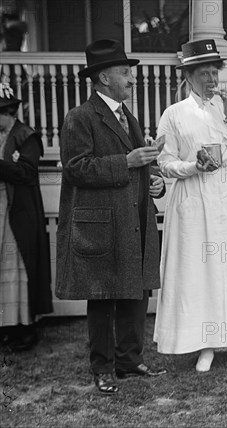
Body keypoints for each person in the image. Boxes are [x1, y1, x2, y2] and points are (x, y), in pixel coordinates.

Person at [56, 39, 167, 395]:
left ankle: (129, 360)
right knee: (103, 298)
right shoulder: (80, 117)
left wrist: (153, 183)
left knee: (136, 293)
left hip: (134, 219)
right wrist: (128, 162)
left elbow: (136, 165)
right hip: (103, 225)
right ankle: (102, 368)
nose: (131, 79)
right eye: (125, 72)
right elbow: (75, 169)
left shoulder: (127, 117)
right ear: (103, 78)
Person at [152, 39, 227, 373]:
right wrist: (192, 167)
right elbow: (165, 161)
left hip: (225, 195)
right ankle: (205, 346)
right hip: (190, 197)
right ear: (188, 75)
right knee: (197, 271)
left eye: (214, 71)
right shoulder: (174, 115)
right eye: (203, 73)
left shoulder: (226, 110)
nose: (212, 80)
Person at [0, 81, 52, 352]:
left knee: (19, 268)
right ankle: (6, 327)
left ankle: (25, 326)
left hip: (18, 211)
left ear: (9, 112)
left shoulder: (26, 136)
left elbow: (28, 173)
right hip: (0, 208)